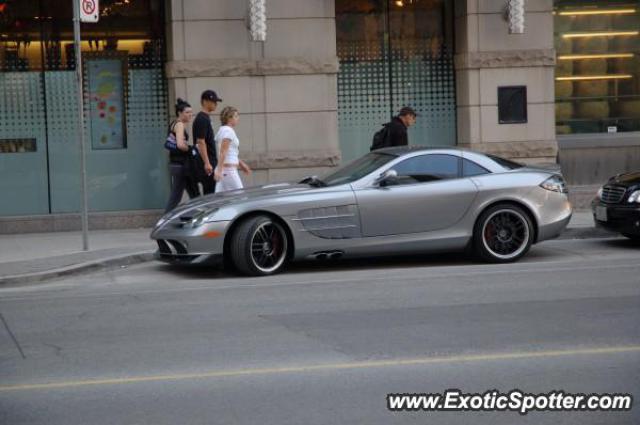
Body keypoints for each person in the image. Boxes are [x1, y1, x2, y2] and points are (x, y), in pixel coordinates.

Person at [164, 98, 199, 212]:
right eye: (187, 112)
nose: (190, 115)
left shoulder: (174, 123)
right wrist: (191, 148)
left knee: (193, 193)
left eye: (191, 112)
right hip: (181, 165)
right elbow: (180, 145)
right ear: (180, 113)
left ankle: (198, 215)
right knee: (176, 196)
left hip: (177, 164)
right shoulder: (179, 125)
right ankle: (165, 220)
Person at [214, 106, 251, 192]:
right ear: (229, 118)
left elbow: (230, 151)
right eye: (236, 116)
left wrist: (241, 164)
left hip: (226, 169)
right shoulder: (228, 131)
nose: (238, 118)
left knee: (219, 199)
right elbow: (223, 151)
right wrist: (219, 170)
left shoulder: (223, 130)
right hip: (228, 170)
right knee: (241, 197)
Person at [193, 90, 223, 194]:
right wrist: (207, 163)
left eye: (216, 101)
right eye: (213, 101)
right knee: (210, 194)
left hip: (210, 161)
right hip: (207, 163)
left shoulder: (205, 118)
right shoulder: (202, 119)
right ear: (205, 102)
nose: (215, 104)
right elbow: (200, 141)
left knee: (211, 193)